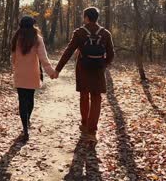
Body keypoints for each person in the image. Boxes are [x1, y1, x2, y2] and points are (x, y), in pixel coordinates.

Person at [53, 7, 114, 142]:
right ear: (97, 18)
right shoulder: (105, 33)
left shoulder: (80, 33)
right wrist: (103, 65)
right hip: (98, 70)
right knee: (96, 97)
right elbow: (111, 54)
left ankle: (85, 124)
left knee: (84, 95)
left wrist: (58, 70)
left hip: (83, 69)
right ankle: (92, 132)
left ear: (86, 17)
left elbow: (68, 51)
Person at [11, 16, 57, 141]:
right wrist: (51, 72)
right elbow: (43, 58)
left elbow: (13, 58)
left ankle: (25, 128)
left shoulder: (16, 39)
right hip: (32, 73)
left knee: (22, 100)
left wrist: (17, 67)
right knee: (30, 99)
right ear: (32, 26)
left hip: (20, 73)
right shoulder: (37, 39)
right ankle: (28, 120)